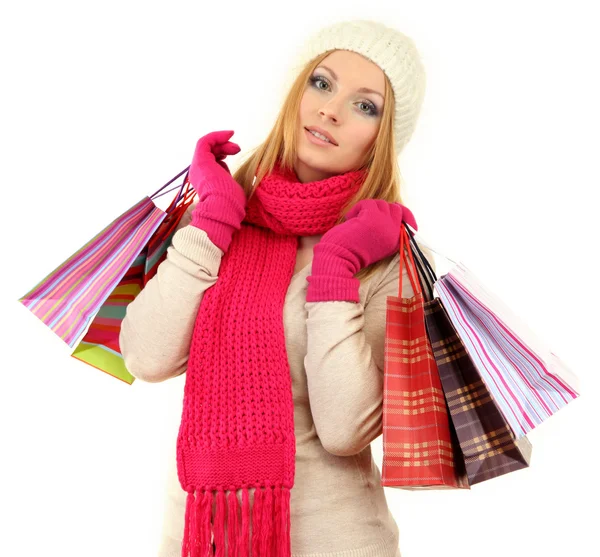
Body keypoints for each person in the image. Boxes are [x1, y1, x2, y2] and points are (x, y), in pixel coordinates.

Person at [120, 18, 435, 557]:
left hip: (333, 542)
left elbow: (345, 430)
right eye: (322, 82)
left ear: (383, 138)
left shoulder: (386, 252)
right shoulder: (219, 222)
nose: (330, 109)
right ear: (296, 92)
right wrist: (216, 217)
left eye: (366, 106)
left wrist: (336, 266)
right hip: (199, 538)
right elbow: (145, 358)